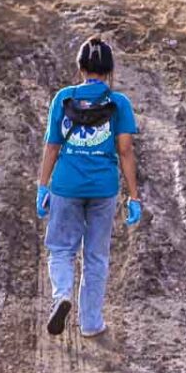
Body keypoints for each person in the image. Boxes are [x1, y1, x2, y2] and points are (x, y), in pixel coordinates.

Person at [36, 37, 142, 337]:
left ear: (80, 67)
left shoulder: (63, 99)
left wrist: (43, 186)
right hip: (103, 188)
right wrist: (134, 197)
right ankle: (91, 323)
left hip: (66, 185)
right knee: (96, 255)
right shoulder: (118, 103)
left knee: (60, 248)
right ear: (109, 69)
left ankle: (62, 295)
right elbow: (125, 151)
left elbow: (52, 146)